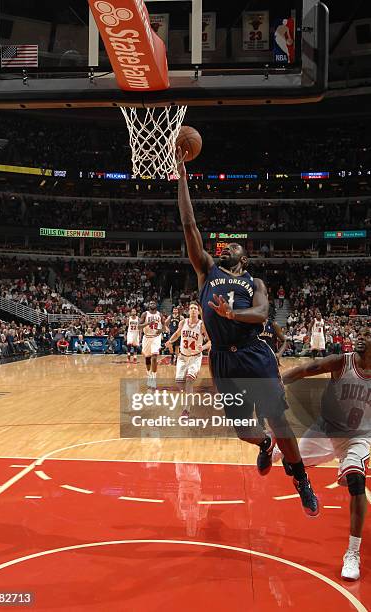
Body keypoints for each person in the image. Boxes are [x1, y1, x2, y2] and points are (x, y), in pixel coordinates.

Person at [176, 146, 319, 517]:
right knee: (243, 431)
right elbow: (189, 224)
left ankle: (301, 477)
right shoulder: (207, 269)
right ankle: (265, 444)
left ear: (245, 257)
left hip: (253, 351)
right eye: (224, 243)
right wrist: (181, 173)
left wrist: (231, 314)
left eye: (235, 245)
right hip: (222, 359)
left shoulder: (254, 282)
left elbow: (260, 314)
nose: (227, 245)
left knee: (278, 416)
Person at [274, 326, 370, 581]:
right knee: (288, 463)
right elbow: (309, 368)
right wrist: (276, 383)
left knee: (356, 482)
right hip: (326, 430)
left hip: (358, 439)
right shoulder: (343, 361)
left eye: (367, 334)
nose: (360, 336)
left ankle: (352, 553)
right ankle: (300, 478)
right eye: (359, 333)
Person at [166, 302, 211, 418]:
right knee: (179, 383)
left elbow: (211, 341)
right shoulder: (183, 322)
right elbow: (176, 334)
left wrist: (204, 347)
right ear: (188, 310)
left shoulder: (202, 325)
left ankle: (186, 409)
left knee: (189, 380)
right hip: (182, 357)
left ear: (198, 311)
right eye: (191, 308)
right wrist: (169, 341)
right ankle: (189, 397)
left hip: (195, 357)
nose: (193, 310)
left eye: (195, 308)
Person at [138, 301, 164, 388]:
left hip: (156, 337)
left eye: (154, 303)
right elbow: (139, 326)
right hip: (146, 337)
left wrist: (160, 330)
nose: (152, 304)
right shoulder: (145, 314)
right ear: (148, 305)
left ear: (156, 305)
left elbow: (164, 326)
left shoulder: (159, 315)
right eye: (151, 303)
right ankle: (149, 374)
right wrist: (148, 323)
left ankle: (154, 378)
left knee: (154, 357)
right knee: (148, 358)